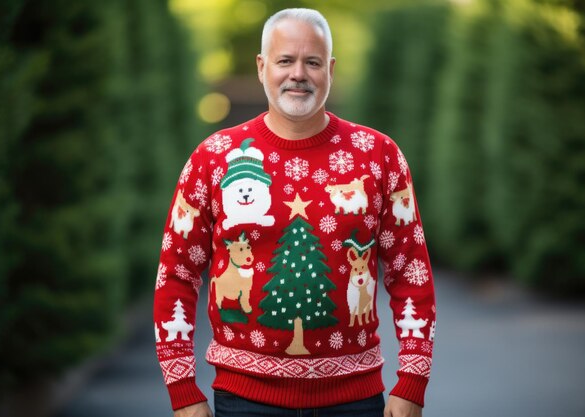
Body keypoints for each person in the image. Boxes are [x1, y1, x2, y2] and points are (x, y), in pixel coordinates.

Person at [154, 8, 436, 417]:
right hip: (244, 401)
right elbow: (175, 274)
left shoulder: (378, 156)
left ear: (331, 69)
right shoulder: (213, 159)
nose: (298, 73)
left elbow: (411, 273)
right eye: (285, 60)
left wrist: (412, 381)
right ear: (262, 66)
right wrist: (182, 391)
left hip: (355, 401)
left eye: (313, 62)